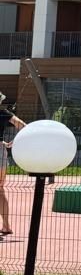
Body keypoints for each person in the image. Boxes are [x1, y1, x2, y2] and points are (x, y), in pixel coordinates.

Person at [0, 95, 27, 237]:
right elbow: (24, 127)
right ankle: (6, 226)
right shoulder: (3, 113)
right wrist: (12, 142)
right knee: (0, 190)